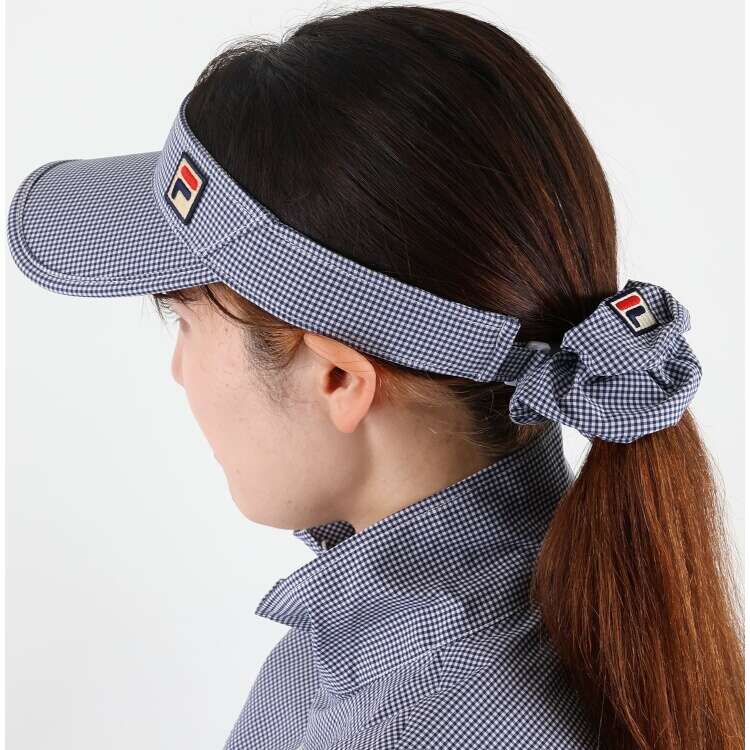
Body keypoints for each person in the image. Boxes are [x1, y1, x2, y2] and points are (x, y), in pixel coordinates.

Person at [6, 5, 743, 749]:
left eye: (184, 319)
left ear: (338, 378)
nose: (177, 372)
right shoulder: (592, 606)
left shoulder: (397, 719)